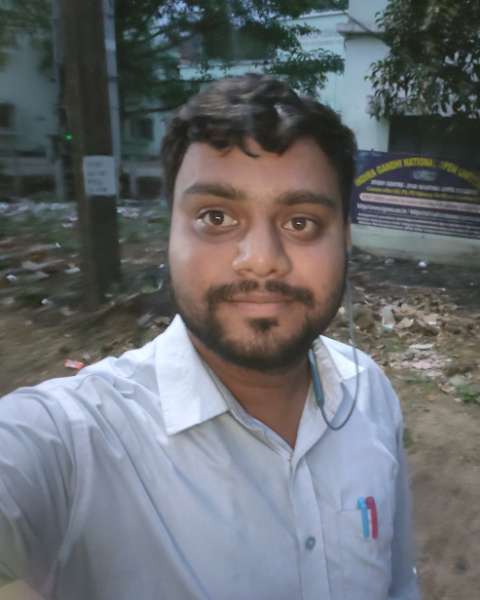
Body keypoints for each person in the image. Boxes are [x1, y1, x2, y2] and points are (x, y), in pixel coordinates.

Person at [0, 74, 420, 600]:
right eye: (216, 217)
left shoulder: (370, 392)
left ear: (345, 240)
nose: (262, 259)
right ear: (170, 235)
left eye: (301, 223)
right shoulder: (72, 440)